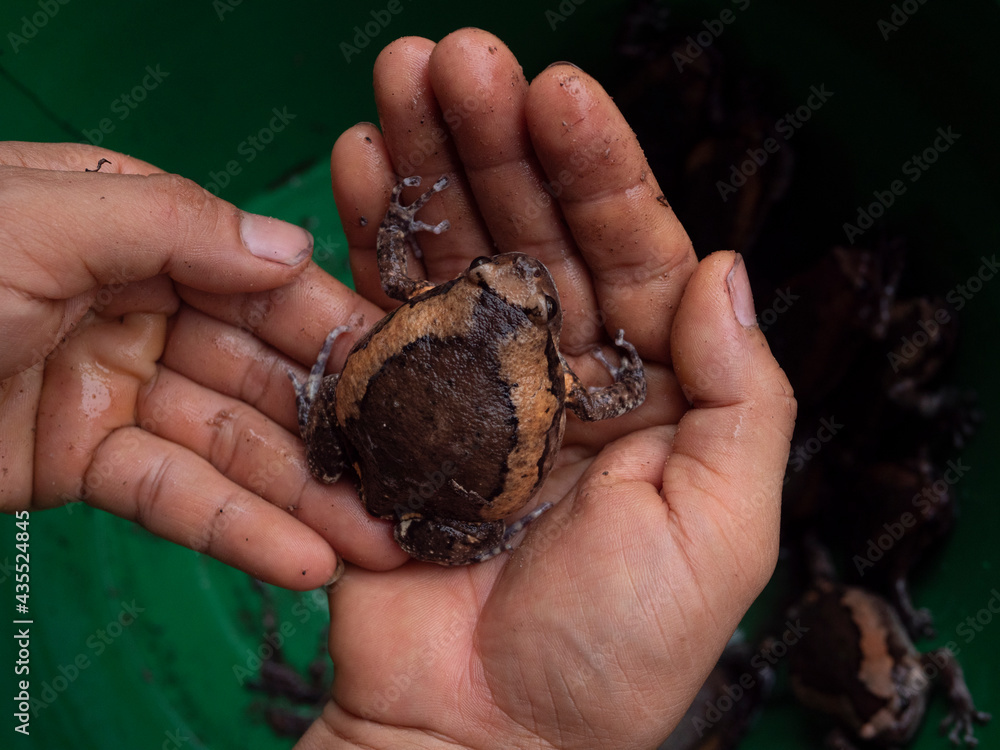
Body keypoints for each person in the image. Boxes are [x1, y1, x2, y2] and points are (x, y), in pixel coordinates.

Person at [0, 28, 794, 750]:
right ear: (473, 287)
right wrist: (625, 368)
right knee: (408, 495)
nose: (513, 274)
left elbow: (399, 262)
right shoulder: (561, 383)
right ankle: (474, 520)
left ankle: (364, 439)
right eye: (489, 275)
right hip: (421, 508)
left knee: (344, 430)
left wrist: (404, 218)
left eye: (526, 295)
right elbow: (612, 400)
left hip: (358, 452)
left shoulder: (442, 309)